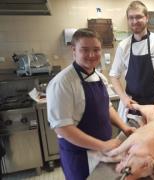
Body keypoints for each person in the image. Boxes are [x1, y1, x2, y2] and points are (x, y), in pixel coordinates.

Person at [46, 28, 134, 180]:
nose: (92, 55)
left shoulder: (100, 78)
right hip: (80, 157)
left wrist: (125, 127)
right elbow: (62, 128)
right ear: (74, 50)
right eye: (85, 50)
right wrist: (102, 145)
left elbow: (106, 108)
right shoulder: (62, 83)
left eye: (96, 50)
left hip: (103, 152)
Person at [109, 1, 154, 120]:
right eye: (131, 18)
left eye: (138, 17)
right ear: (128, 20)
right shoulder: (124, 45)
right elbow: (113, 75)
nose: (135, 21)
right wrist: (123, 98)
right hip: (133, 106)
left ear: (147, 18)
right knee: (132, 136)